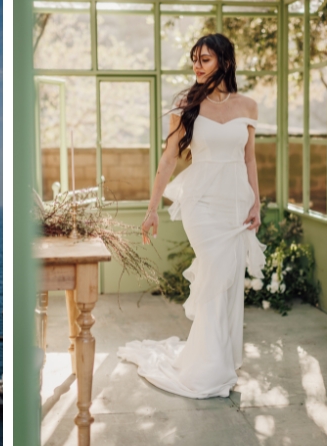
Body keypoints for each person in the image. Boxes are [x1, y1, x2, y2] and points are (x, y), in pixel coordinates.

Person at [117, 34, 266, 399]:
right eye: (194, 60)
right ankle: (207, 369)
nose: (197, 67)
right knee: (215, 270)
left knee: (228, 278)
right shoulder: (186, 105)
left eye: (205, 60)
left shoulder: (247, 105)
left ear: (225, 63)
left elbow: (249, 158)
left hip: (235, 202)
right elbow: (169, 159)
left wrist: (257, 203)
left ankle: (221, 359)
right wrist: (152, 208)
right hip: (201, 202)